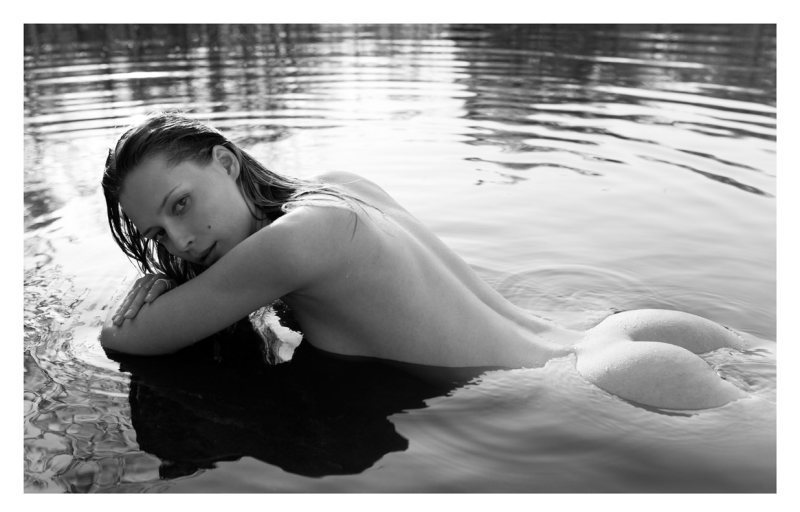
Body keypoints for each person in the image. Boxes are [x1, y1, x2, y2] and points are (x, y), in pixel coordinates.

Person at [100, 111, 748, 411]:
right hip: (619, 336)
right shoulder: (340, 187)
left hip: (601, 381)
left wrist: (157, 285)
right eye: (158, 235)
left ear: (225, 161)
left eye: (181, 204)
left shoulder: (285, 247)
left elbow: (126, 338)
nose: (181, 242)